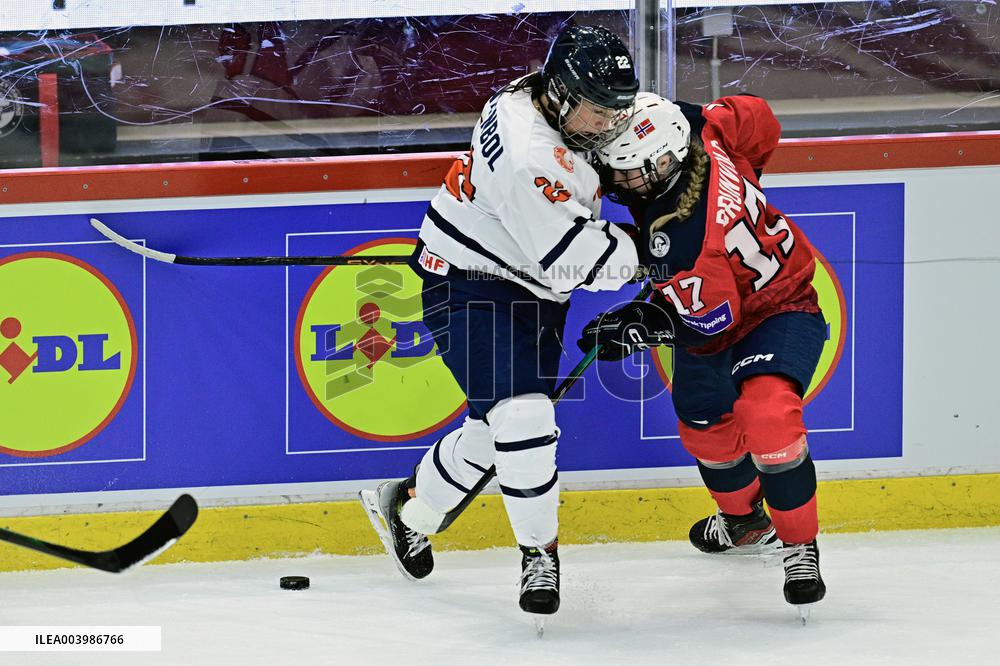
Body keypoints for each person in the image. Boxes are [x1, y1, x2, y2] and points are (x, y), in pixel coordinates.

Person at [359, 24, 641, 617]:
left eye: (616, 109)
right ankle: (540, 555)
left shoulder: (539, 96)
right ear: (562, 95)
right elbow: (571, 261)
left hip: (529, 288)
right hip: (468, 282)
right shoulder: (527, 154)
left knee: (497, 433)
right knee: (524, 417)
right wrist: (653, 252)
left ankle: (409, 510)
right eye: (598, 111)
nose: (609, 124)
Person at [578, 92, 828, 608]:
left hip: (777, 309)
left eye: (632, 174)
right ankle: (742, 524)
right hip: (715, 301)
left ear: (667, 160)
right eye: (616, 171)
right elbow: (760, 116)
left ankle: (800, 544)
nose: (621, 184)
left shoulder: (687, 238)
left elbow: (711, 327)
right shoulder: (699, 128)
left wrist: (645, 321)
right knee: (705, 431)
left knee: (767, 414)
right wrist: (747, 175)